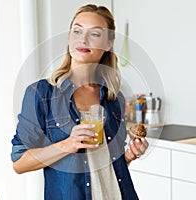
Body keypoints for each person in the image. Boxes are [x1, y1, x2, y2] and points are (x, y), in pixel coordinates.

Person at [11, 4, 148, 200]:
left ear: (108, 44)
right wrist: (69, 144)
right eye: (77, 31)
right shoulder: (41, 94)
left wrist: (129, 156)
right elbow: (19, 162)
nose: (83, 39)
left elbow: (105, 165)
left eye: (95, 34)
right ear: (69, 38)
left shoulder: (114, 98)